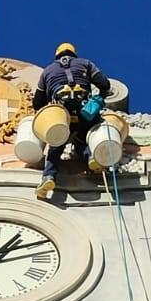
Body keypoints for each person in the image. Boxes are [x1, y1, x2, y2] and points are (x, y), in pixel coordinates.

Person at [32, 43, 111, 200]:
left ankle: (48, 177)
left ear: (57, 55)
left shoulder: (47, 71)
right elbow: (104, 84)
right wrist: (99, 98)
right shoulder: (85, 63)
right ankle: (91, 158)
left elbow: (37, 103)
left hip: (62, 112)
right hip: (84, 109)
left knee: (56, 145)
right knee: (84, 138)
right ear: (73, 53)